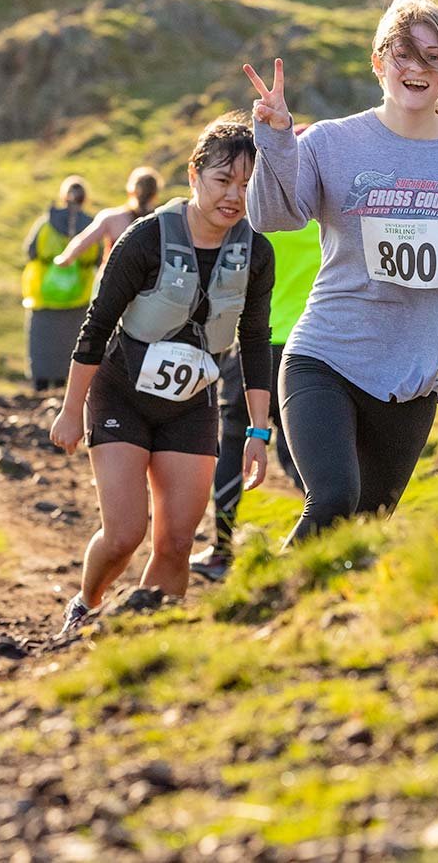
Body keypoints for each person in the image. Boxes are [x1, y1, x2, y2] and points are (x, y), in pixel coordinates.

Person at [244, 0, 438, 551]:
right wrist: (276, 141)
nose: (416, 69)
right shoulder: (331, 142)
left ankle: (310, 632)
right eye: (404, 55)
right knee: (331, 502)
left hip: (411, 381)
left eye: (431, 58)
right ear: (380, 62)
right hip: (324, 356)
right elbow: (271, 216)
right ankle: (258, 602)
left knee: (363, 534)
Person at [48, 114, 275, 635]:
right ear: (194, 175)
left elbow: (256, 342)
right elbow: (97, 325)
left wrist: (258, 432)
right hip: (121, 396)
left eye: (247, 185)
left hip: (191, 406)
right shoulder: (145, 239)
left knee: (175, 545)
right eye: (223, 180)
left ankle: (139, 639)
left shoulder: (256, 252)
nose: (234, 196)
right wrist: (69, 411)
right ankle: (85, 605)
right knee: (125, 534)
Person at [190, 213, 319, 581]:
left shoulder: (256, 219)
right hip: (312, 347)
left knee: (233, 442)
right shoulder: (327, 216)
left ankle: (222, 550)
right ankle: (343, 530)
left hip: (254, 344)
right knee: (303, 451)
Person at [23, 176, 100, 392]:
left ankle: (39, 385)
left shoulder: (46, 223)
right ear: (85, 199)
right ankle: (63, 388)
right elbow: (98, 257)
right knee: (70, 342)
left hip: (44, 293)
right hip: (78, 295)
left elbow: (30, 251)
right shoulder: (91, 225)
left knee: (41, 343)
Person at [54, 166, 163, 269]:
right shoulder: (162, 221)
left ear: (130, 190)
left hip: (110, 282)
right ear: (155, 194)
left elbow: (83, 240)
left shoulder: (112, 218)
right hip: (147, 284)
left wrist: (65, 258)